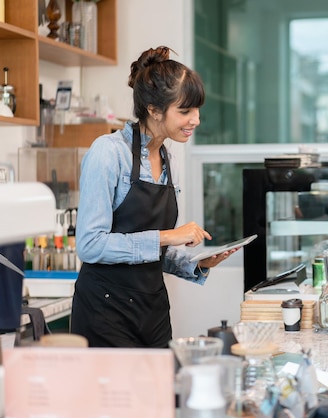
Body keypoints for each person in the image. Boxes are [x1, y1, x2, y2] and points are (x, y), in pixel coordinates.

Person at [71, 46, 237, 348]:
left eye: (197, 109)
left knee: (161, 394)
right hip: (106, 314)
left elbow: (149, 253)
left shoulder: (166, 156)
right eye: (185, 111)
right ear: (154, 109)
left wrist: (198, 264)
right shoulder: (108, 153)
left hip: (153, 312)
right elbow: (90, 245)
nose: (196, 120)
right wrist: (167, 236)